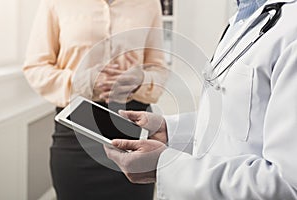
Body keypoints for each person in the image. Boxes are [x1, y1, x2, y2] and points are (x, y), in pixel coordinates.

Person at [105, 0, 297, 199]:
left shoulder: (291, 31)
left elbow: (287, 185)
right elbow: (240, 119)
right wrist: (169, 131)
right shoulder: (247, 17)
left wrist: (165, 165)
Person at [23, 0, 168, 199]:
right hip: (75, 132)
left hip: (133, 133)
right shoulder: (55, 3)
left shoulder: (149, 3)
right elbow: (35, 67)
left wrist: (140, 80)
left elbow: (158, 69)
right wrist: (85, 81)